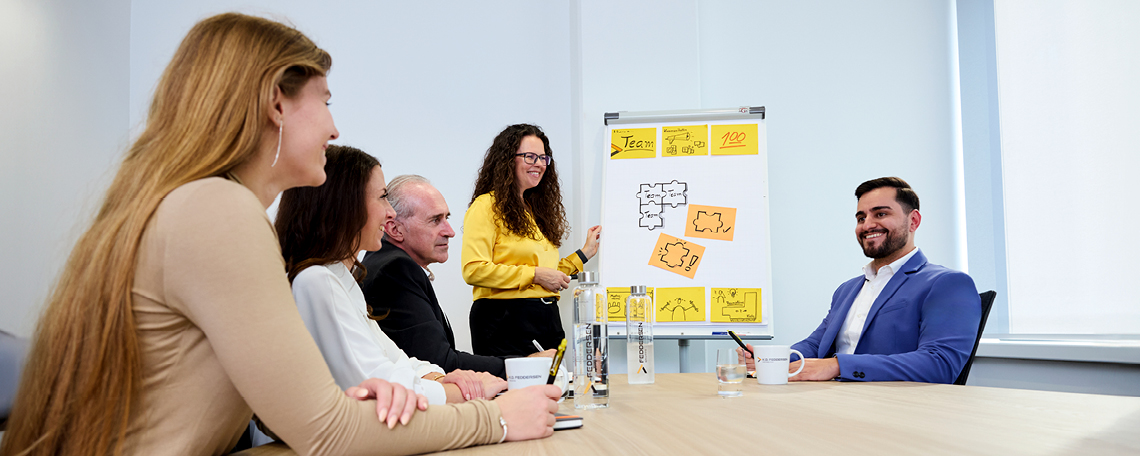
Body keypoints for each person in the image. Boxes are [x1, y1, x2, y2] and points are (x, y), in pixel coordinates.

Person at [0, 13, 557, 456]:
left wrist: (348, 400)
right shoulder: (217, 210)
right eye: (326, 102)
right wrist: (497, 419)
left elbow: (276, 413)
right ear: (275, 103)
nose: (334, 128)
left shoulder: (192, 202)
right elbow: (327, 434)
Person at [276, 148, 507, 404]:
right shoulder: (318, 280)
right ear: (343, 205)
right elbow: (377, 382)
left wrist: (439, 378)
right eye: (382, 197)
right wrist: (467, 390)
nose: (390, 213)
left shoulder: (342, 278)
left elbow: (397, 360)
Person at [738, 177, 981, 384]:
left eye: (881, 214)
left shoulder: (947, 283)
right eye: (861, 218)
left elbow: (940, 364)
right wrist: (767, 359)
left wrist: (837, 366)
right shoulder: (847, 289)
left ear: (913, 221)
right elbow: (815, 345)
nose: (867, 225)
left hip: (894, 408)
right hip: (834, 399)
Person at [360, 175, 553, 379]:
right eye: (435, 220)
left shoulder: (387, 263)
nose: (450, 232)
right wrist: (524, 365)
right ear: (395, 229)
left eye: (447, 218)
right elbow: (440, 363)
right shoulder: (395, 270)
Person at [462, 124, 602, 357]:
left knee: (555, 381)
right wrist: (535, 274)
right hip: (505, 320)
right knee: (514, 382)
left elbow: (546, 273)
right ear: (507, 160)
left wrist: (583, 254)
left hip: (546, 317)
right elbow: (473, 270)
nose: (539, 163)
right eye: (530, 156)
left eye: (543, 157)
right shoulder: (486, 206)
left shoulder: (532, 211)